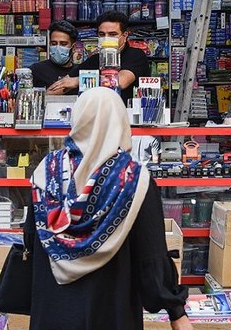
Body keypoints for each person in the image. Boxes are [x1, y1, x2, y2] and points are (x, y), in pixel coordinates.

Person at [25, 87, 192, 330]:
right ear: (121, 123)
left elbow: (31, 240)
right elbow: (151, 260)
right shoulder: (134, 182)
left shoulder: (46, 173)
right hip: (112, 314)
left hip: (51, 313)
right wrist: (176, 312)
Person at [48, 10, 151, 105]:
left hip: (124, 115)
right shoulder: (94, 59)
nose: (106, 38)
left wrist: (79, 81)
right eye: (102, 34)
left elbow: (120, 82)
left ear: (124, 36)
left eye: (112, 34)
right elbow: (65, 83)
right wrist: (47, 95)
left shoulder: (135, 55)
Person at [31, 20, 79, 95]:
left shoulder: (80, 72)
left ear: (74, 47)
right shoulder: (36, 70)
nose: (57, 48)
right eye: (54, 44)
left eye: (63, 44)